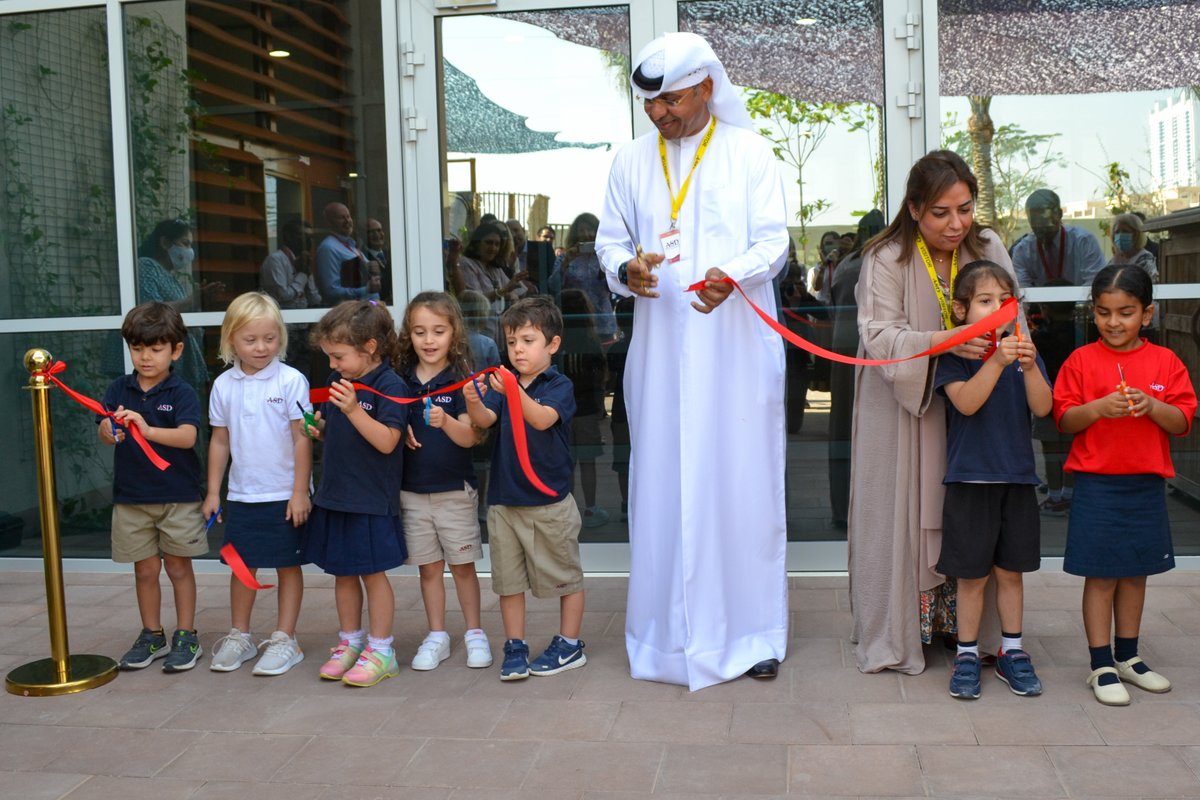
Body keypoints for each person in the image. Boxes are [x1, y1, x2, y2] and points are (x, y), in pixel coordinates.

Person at [595, 31, 790, 689]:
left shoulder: (749, 152)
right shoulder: (629, 160)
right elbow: (609, 241)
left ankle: (751, 635)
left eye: (671, 100)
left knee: (740, 486)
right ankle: (663, 639)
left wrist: (730, 275)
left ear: (707, 86)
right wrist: (627, 269)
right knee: (663, 487)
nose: (659, 114)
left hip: (735, 348)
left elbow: (775, 243)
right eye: (650, 104)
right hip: (658, 353)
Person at [849, 150, 1018, 675]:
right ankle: (910, 631)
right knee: (901, 515)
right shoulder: (887, 256)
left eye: (964, 209)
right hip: (905, 406)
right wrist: (949, 340)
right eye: (941, 212)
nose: (956, 224)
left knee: (971, 509)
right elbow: (879, 337)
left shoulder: (987, 245)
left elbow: (1014, 313)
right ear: (915, 209)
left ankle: (970, 635)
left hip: (979, 405)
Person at [1054, 264, 1196, 706]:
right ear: (1092, 313)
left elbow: (1183, 422)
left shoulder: (1166, 362)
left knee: (1135, 574)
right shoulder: (1080, 361)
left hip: (1146, 485)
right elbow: (1063, 419)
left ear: (1147, 314)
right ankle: (1101, 665)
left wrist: (1153, 404)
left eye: (1126, 312)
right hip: (1097, 485)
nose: (1113, 322)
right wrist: (1098, 407)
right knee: (1101, 576)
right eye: (1103, 312)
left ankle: (1130, 659)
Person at [934, 261, 1052, 700]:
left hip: (1018, 480)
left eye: (1006, 301)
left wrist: (1030, 365)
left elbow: (1043, 408)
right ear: (961, 309)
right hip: (969, 481)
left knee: (1011, 573)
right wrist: (998, 363)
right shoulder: (957, 354)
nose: (999, 309)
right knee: (971, 578)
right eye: (986, 301)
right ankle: (967, 654)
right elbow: (965, 404)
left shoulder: (1025, 352)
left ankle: (1013, 652)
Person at [464, 297, 585, 681]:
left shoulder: (558, 384)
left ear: (552, 344)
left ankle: (569, 644)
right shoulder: (505, 384)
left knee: (566, 577)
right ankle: (515, 644)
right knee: (509, 583)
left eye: (528, 340)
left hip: (548, 503)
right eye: (512, 341)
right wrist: (473, 401)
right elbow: (485, 421)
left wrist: (513, 389)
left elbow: (542, 419)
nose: (517, 349)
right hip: (504, 501)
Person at [202, 292, 311, 676]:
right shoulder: (223, 385)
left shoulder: (292, 380)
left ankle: (285, 638)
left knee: (286, 565)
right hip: (243, 493)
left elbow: (303, 438)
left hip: (284, 494)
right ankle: (240, 635)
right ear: (231, 339)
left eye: (270, 338)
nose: (262, 347)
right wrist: (214, 491)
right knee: (241, 565)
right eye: (251, 340)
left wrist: (300, 491)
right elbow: (219, 440)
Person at [304, 300, 408, 687]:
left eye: (338, 356)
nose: (332, 365)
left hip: (370, 499)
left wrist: (352, 411)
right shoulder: (342, 384)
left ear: (369, 347)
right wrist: (321, 428)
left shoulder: (390, 385)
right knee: (343, 573)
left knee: (372, 574)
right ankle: (350, 642)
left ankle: (382, 651)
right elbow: (339, 428)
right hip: (336, 495)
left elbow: (387, 441)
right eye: (329, 356)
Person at [98, 302, 207, 672]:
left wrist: (146, 429)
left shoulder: (181, 392)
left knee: (178, 567)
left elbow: (188, 437)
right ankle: (152, 634)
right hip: (131, 498)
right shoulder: (118, 388)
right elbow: (103, 426)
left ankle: (186, 635)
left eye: (155, 348)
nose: (145, 357)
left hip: (177, 496)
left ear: (175, 350)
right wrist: (108, 431)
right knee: (144, 570)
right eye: (137, 348)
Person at [396, 292, 492, 672]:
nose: (429, 340)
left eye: (438, 330)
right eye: (420, 332)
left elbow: (472, 437)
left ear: (454, 333)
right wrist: (399, 425)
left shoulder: (463, 380)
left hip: (454, 490)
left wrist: (446, 422)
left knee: (463, 566)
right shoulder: (400, 379)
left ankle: (474, 632)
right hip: (413, 491)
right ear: (409, 334)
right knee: (429, 568)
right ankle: (437, 634)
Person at [828, 210, 885, 527]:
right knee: (869, 427)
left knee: (841, 425)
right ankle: (862, 512)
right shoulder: (873, 262)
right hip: (865, 347)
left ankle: (841, 511)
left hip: (842, 343)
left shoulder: (847, 262)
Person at [135, 219, 211, 391]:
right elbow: (151, 309)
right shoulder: (146, 266)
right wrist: (192, 300)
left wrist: (200, 300)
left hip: (170, 358)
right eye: (185, 243)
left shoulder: (169, 276)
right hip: (153, 353)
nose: (189, 251)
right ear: (164, 243)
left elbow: (178, 310)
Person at [559, 289, 610, 527]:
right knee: (588, 462)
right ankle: (590, 508)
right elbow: (600, 377)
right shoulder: (590, 340)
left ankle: (566, 508)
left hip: (561, 410)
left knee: (566, 462)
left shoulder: (557, 342)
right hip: (587, 408)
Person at [1011, 189, 1105, 288]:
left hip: (1082, 303)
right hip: (1039, 303)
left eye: (1044, 220)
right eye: (1033, 221)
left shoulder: (1084, 242)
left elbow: (1094, 285)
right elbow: (1023, 292)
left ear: (1059, 214)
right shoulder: (1022, 251)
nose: (1039, 226)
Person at [454, 222, 528, 338]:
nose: (493, 248)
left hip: (498, 333)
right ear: (477, 243)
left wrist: (511, 294)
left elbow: (514, 294)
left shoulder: (495, 269)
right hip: (478, 334)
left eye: (497, 244)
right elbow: (475, 301)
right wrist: (504, 291)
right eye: (489, 242)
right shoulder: (467, 264)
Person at [551, 212, 618, 341]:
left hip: (603, 322)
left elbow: (615, 288)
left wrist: (606, 267)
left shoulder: (605, 258)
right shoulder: (565, 258)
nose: (586, 234)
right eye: (582, 230)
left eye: (590, 230)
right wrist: (565, 264)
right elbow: (553, 287)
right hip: (575, 321)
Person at [1107, 212, 1160, 338]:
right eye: (1117, 232)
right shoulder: (1113, 261)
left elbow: (1142, 290)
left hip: (1141, 324)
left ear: (1136, 234)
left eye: (1125, 231)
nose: (1119, 236)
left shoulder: (1145, 258)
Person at [315, 202, 380, 303]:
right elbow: (330, 292)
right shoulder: (328, 248)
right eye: (341, 218)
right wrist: (366, 290)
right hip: (352, 313)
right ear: (329, 222)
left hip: (369, 309)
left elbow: (367, 277)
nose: (348, 221)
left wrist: (374, 269)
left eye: (348, 216)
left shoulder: (351, 244)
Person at [260, 218, 321, 310]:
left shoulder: (303, 260)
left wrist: (308, 275)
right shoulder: (275, 260)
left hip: (303, 321)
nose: (308, 240)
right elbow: (282, 296)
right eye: (304, 235)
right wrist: (302, 275)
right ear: (289, 237)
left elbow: (314, 299)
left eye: (311, 237)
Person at [363, 218, 393, 304]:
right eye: (371, 232)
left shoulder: (392, 255)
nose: (377, 235)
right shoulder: (362, 259)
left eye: (379, 230)